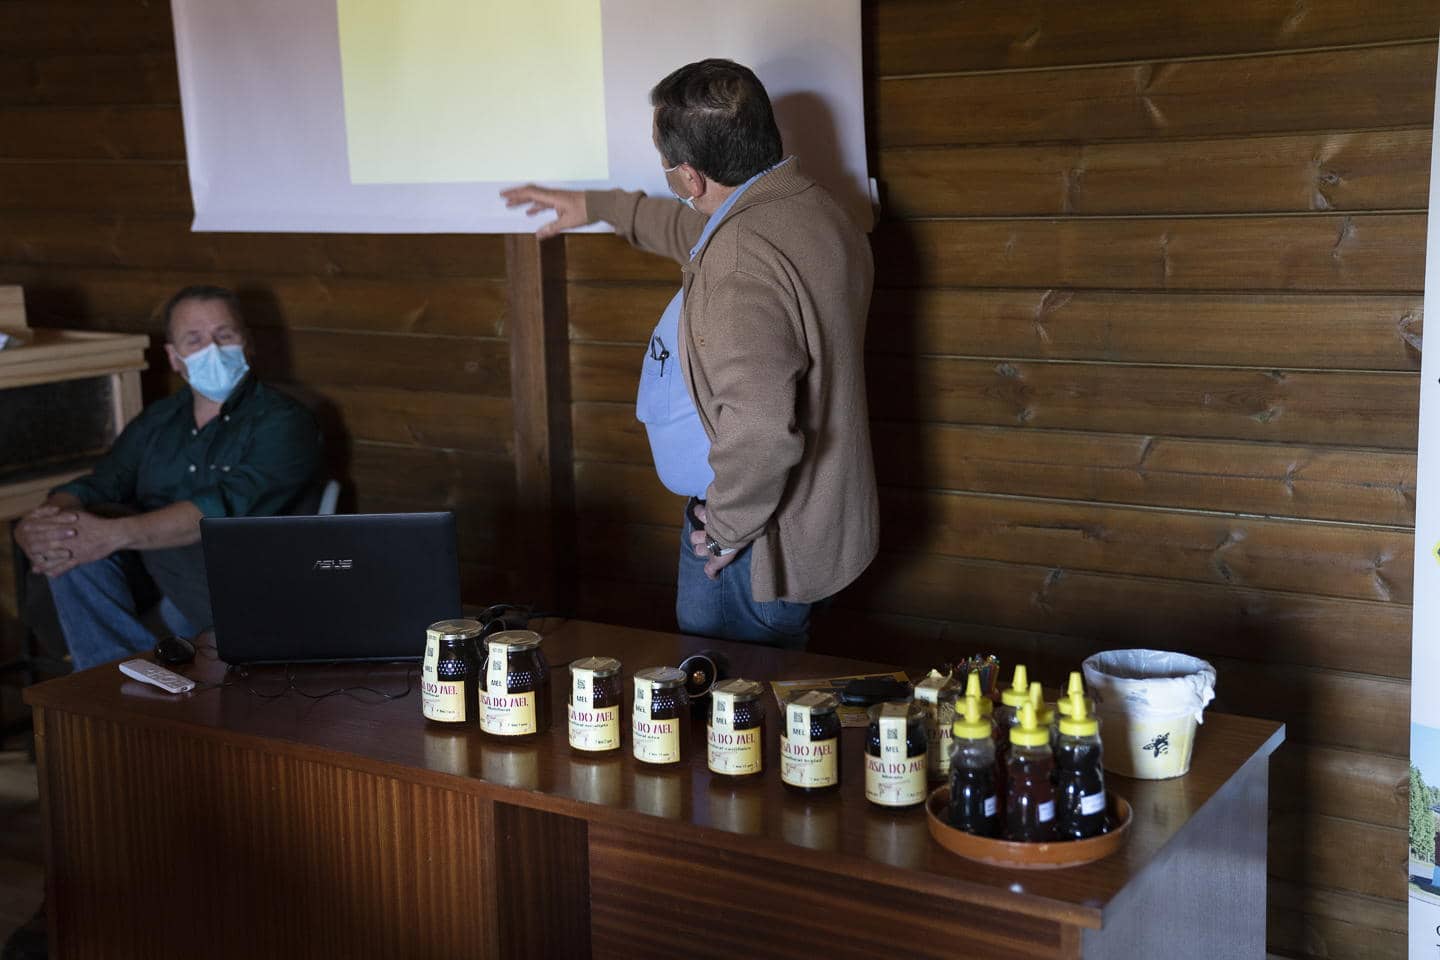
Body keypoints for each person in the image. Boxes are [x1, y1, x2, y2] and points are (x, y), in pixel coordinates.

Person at [503, 59, 878, 648]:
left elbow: (761, 431)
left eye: (669, 169)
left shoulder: (739, 261)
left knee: (728, 697)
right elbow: (702, 236)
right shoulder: (811, 209)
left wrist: (726, 528)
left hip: (752, 545)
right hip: (812, 523)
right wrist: (602, 207)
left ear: (689, 178)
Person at [13, 285, 324, 671]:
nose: (212, 349)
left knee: (108, 539)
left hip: (240, 582)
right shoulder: (158, 420)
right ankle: (115, 681)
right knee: (71, 539)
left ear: (247, 344)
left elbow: (222, 510)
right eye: (195, 340)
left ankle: (133, 681)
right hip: (155, 575)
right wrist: (42, 522)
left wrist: (115, 534)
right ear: (175, 358)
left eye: (224, 335)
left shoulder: (285, 422)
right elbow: (102, 481)